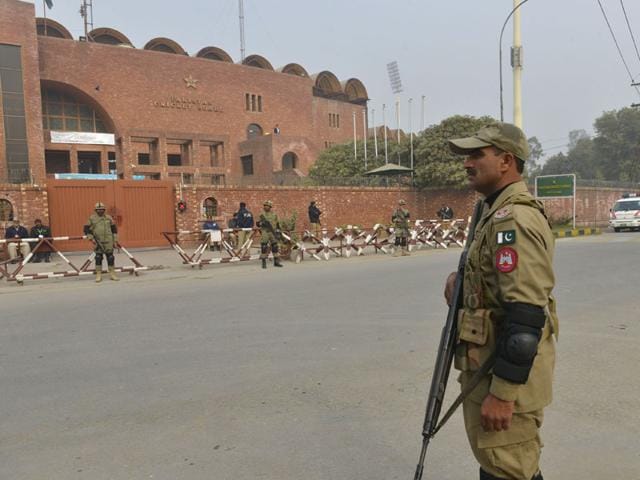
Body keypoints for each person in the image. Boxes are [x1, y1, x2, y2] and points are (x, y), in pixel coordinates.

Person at [443, 122, 558, 480]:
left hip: (502, 378)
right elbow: (495, 289)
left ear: (506, 160)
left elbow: (525, 316)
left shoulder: (514, 219)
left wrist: (504, 394)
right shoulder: (491, 213)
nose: (467, 164)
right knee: (500, 468)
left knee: (509, 471)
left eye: (477, 155)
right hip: (486, 369)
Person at [84, 202, 119, 282]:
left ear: (104, 210)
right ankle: (98, 275)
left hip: (108, 241)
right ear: (95, 210)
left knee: (110, 257)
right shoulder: (92, 218)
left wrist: (115, 241)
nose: (100, 211)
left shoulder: (109, 218)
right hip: (98, 241)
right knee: (98, 257)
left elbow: (114, 230)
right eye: (98, 210)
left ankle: (112, 274)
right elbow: (86, 230)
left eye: (102, 209)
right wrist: (91, 238)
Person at [257, 200, 283, 269]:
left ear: (270, 207)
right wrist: (262, 223)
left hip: (272, 232)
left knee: (275, 246)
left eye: (267, 206)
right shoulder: (261, 215)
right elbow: (257, 224)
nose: (265, 207)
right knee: (264, 247)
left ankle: (276, 262)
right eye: (265, 206)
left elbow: (277, 224)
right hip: (265, 232)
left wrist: (278, 231)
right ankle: (263, 262)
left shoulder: (274, 215)